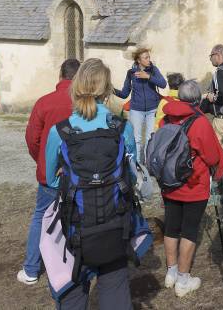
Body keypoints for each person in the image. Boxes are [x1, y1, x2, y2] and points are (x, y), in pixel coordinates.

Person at [44, 58, 136, 310]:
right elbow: (132, 177)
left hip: (76, 224)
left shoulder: (60, 131)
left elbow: (51, 179)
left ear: (75, 87)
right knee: (115, 284)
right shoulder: (121, 128)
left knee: (73, 291)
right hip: (115, 221)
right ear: (107, 91)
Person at [159, 80, 223, 297]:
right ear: (197, 100)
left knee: (171, 225)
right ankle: (183, 280)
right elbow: (212, 156)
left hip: (169, 183)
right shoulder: (199, 122)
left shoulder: (165, 119)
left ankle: (171, 271)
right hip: (194, 184)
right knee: (189, 229)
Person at [18, 58, 80, 286]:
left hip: (50, 174)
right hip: (78, 173)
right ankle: (75, 264)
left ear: (60, 75)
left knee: (41, 218)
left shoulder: (44, 103)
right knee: (77, 216)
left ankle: (32, 268)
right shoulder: (84, 104)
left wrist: (43, 161)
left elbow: (32, 139)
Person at [114, 46, 166, 165]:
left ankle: (148, 164)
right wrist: (111, 90)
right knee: (136, 139)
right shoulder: (131, 73)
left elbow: (163, 84)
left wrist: (148, 77)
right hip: (136, 110)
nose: (148, 60)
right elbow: (124, 93)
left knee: (149, 138)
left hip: (152, 109)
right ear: (139, 60)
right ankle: (136, 165)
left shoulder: (153, 70)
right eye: (145, 58)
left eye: (149, 57)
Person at [201, 44, 223, 157]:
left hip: (222, 117)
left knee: (222, 150)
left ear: (218, 55)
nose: (210, 59)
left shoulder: (219, 72)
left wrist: (211, 97)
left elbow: (222, 94)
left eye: (211, 56)